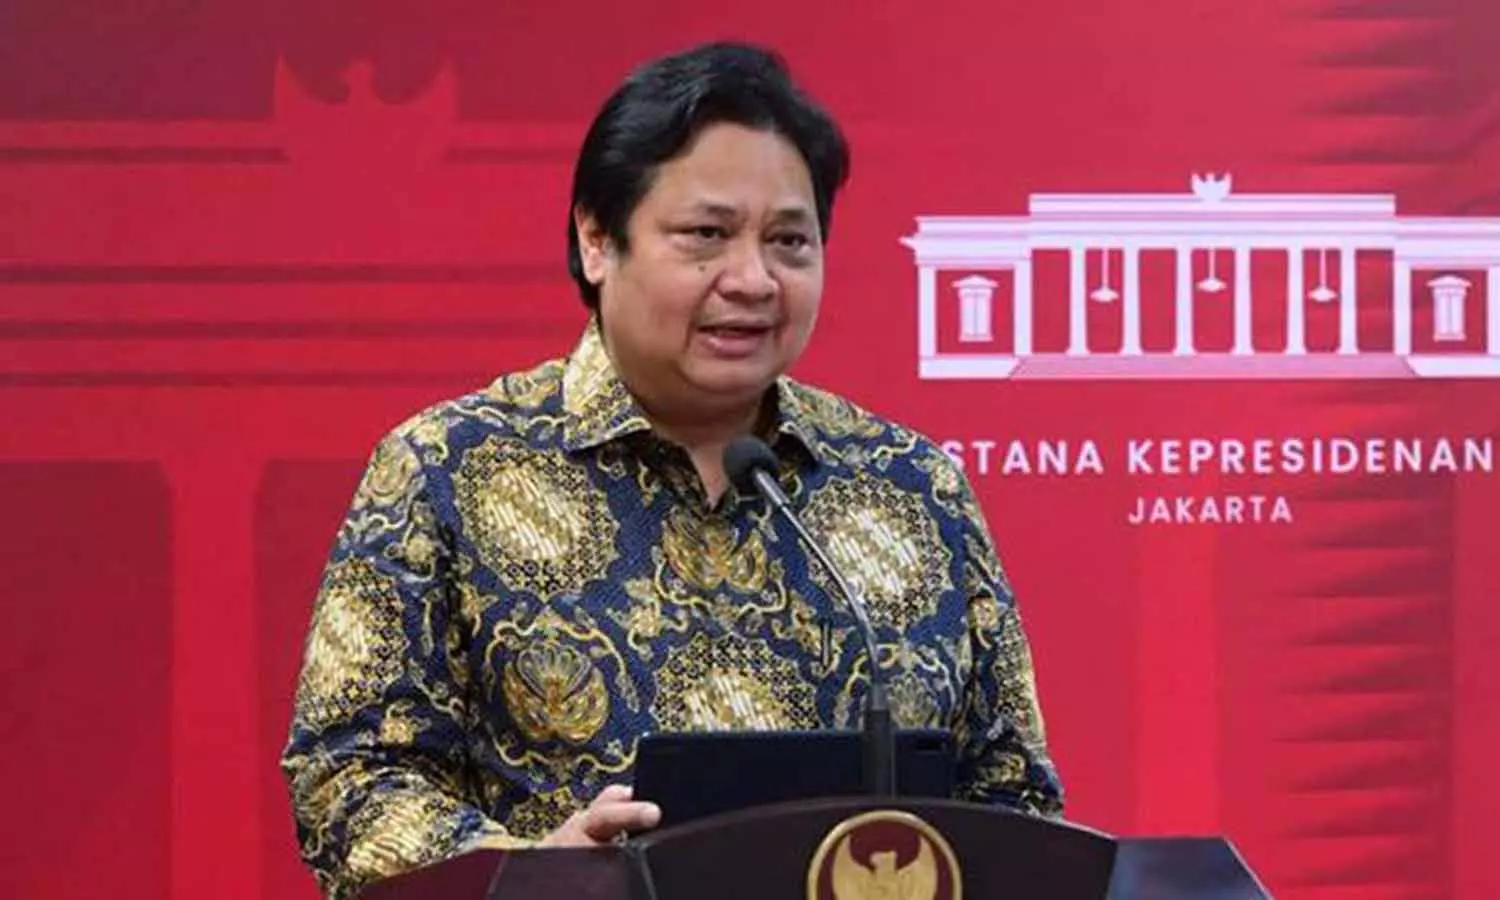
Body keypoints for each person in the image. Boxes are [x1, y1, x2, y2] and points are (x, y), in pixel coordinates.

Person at [280, 40, 1063, 900]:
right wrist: (536, 873)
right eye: (706, 236)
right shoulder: (446, 468)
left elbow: (1014, 795)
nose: (753, 279)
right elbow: (349, 778)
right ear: (597, 240)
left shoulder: (911, 484)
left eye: (789, 241)